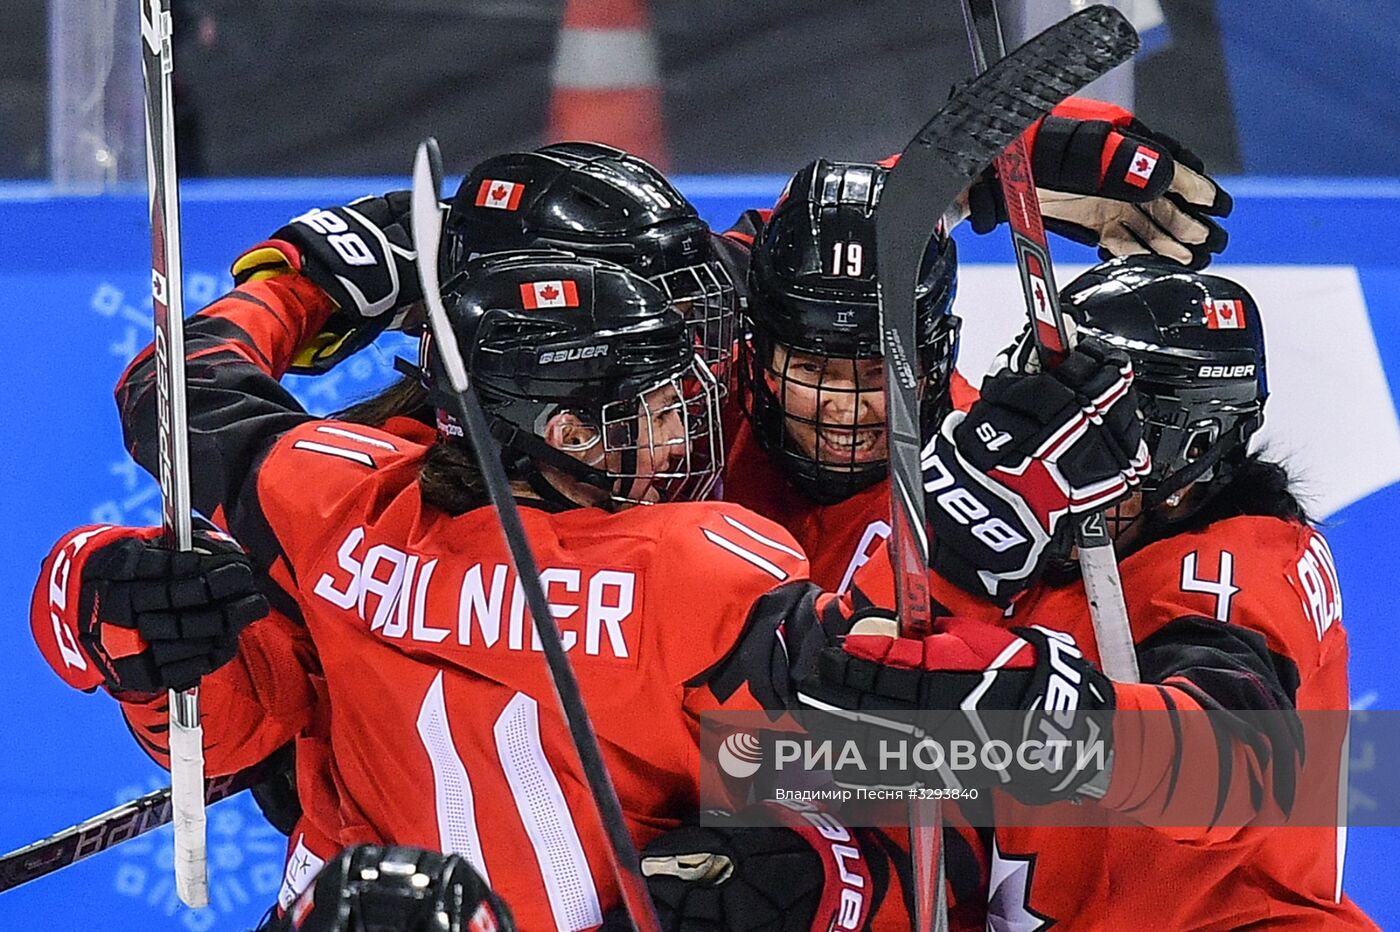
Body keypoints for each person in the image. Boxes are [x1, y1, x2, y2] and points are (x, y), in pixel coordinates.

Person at [809, 257, 1378, 929]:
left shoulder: (1244, 562)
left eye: (1096, 438)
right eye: (1047, 418)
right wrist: (959, 537)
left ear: (1189, 454)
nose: (1058, 456)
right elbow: (842, 698)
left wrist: (1048, 705)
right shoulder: (1031, 536)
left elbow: (1238, 764)